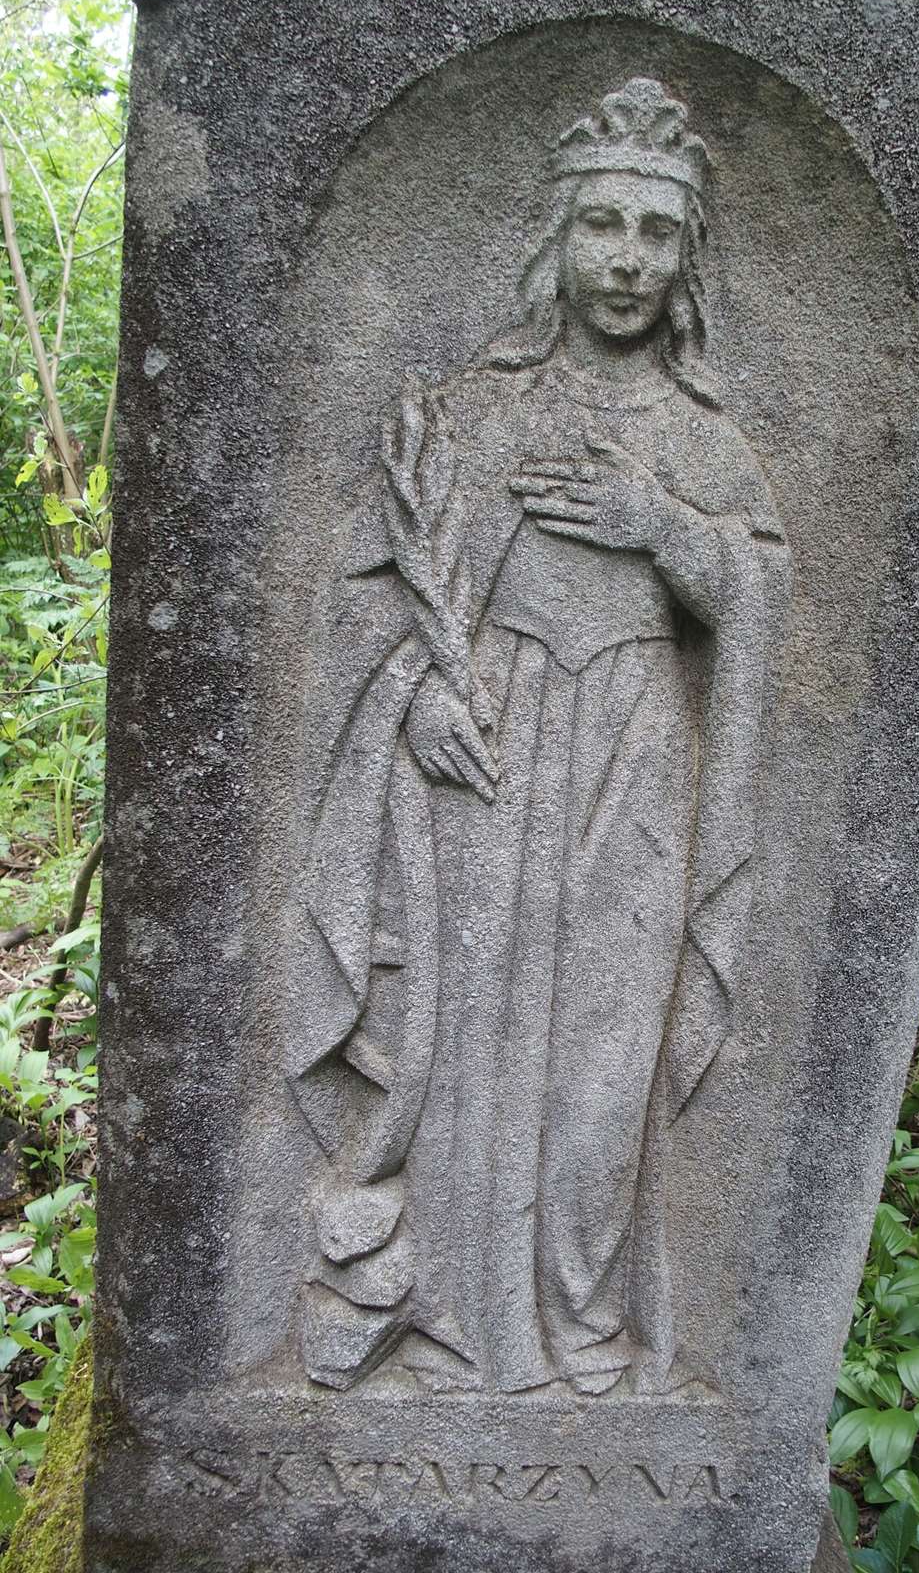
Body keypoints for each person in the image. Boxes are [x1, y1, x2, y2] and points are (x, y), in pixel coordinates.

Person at [291, 78, 791, 1397]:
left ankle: (580, 1332)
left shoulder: (706, 440)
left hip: (637, 762)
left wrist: (662, 524)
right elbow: (367, 616)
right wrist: (422, 700)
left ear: (686, 260)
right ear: (556, 239)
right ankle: (450, 1322)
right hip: (488, 762)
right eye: (603, 226)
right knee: (468, 1047)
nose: (627, 259)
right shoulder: (471, 414)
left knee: (600, 1082)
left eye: (656, 233)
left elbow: (758, 599)